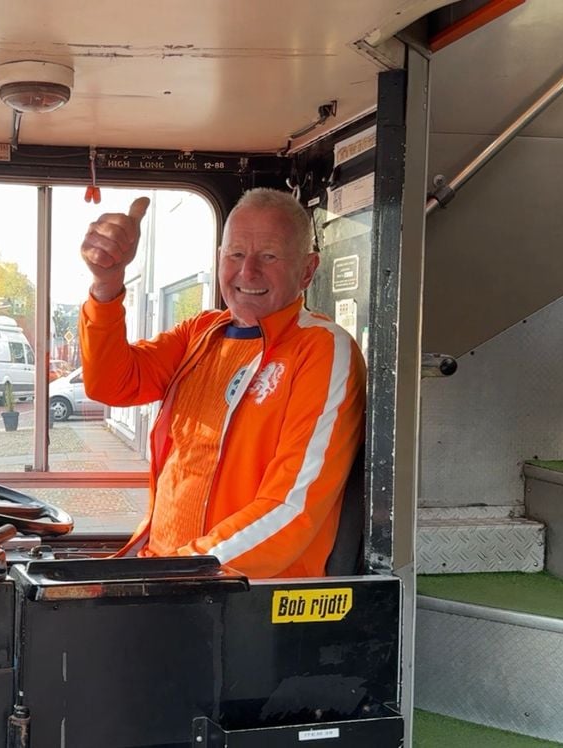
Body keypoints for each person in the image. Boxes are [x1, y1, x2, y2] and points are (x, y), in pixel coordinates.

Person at [77, 188, 366, 578]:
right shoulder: (200, 333)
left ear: (308, 270)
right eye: (235, 255)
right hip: (168, 577)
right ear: (219, 259)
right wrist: (107, 286)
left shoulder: (320, 349)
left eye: (269, 256)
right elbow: (111, 384)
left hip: (240, 597)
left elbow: (290, 510)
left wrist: (178, 574)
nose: (248, 272)